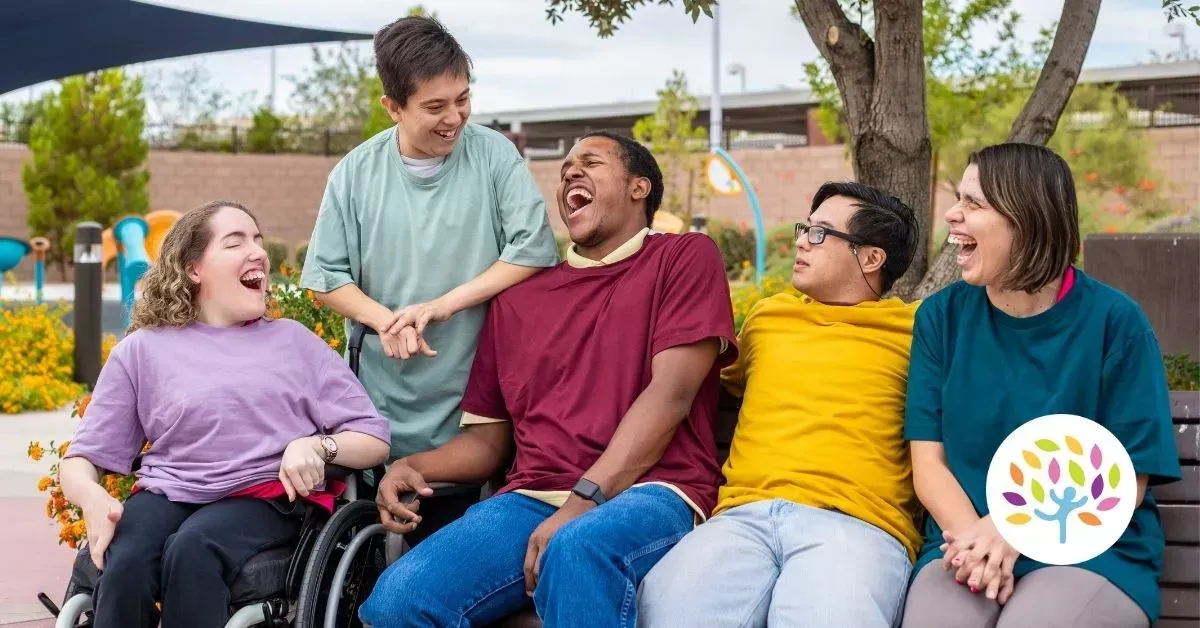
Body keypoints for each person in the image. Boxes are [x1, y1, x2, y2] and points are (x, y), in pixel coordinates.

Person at [355, 131, 738, 627]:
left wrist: (581, 504)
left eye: (591, 163)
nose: (570, 173)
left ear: (639, 187)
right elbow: (490, 444)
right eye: (564, 170)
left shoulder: (683, 258)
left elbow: (671, 396)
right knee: (397, 601)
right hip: (531, 500)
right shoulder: (519, 300)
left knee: (576, 549)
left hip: (652, 491)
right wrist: (415, 466)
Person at [58, 201, 392, 628]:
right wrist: (92, 497)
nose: (258, 252)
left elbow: (373, 437)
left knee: (193, 550)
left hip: (264, 497)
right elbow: (80, 460)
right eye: (236, 242)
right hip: (170, 492)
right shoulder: (143, 350)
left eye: (258, 240)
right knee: (125, 561)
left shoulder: (293, 343)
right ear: (194, 268)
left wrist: (318, 446)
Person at [900, 143, 1181, 628]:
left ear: (1027, 220)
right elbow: (929, 462)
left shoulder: (1116, 323)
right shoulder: (940, 319)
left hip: (1090, 551)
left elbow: (1128, 476)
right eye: (958, 199)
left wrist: (1017, 532)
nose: (952, 214)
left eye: (974, 203)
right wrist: (980, 547)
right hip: (964, 540)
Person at [637, 182, 924, 627]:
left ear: (871, 258)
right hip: (741, 517)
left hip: (854, 523)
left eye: (820, 233)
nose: (801, 241)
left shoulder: (918, 330)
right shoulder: (769, 317)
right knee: (668, 609)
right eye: (804, 228)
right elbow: (701, 388)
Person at [299, 15, 560, 465]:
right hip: (380, 391)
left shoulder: (494, 154)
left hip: (477, 391)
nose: (454, 118)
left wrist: (442, 306)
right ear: (393, 107)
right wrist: (387, 322)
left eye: (463, 100)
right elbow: (325, 277)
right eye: (435, 107)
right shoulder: (354, 172)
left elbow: (532, 250)